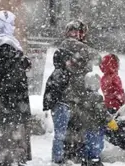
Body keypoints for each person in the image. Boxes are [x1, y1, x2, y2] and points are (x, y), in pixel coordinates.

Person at [42, 19, 95, 165]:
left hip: (78, 97)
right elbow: (94, 55)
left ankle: (71, 156)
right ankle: (59, 159)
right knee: (62, 133)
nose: (76, 34)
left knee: (76, 130)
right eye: (73, 31)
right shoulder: (67, 46)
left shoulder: (82, 50)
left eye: (79, 31)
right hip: (64, 98)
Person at [0, 10, 32, 166]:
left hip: (5, 105)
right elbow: (11, 77)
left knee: (6, 144)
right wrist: (22, 64)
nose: (14, 27)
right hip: (11, 106)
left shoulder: (1, 45)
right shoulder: (6, 46)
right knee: (11, 146)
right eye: (11, 24)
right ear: (4, 26)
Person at [74, 72, 118, 166]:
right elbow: (102, 112)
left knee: (87, 147)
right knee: (96, 146)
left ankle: (86, 161)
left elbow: (78, 112)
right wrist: (110, 121)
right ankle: (94, 161)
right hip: (95, 128)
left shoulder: (81, 96)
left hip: (84, 128)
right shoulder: (96, 97)